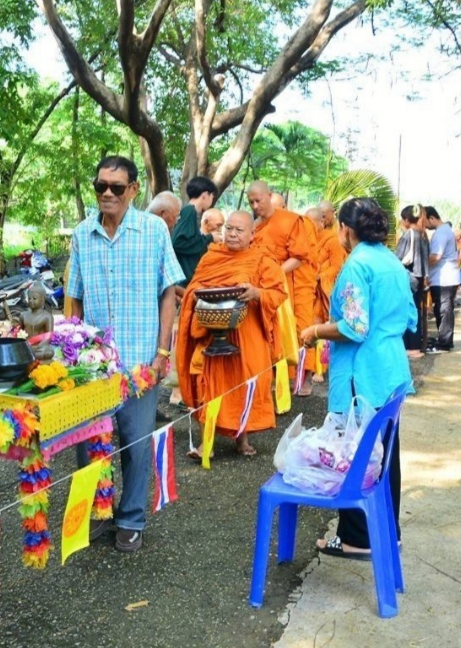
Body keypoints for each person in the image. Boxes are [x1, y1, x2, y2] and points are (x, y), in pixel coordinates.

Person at [67, 155, 184, 552]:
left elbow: (168, 291)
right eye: (101, 186)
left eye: (117, 187)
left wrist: (162, 352)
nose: (108, 194)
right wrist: (72, 353)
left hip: (140, 363)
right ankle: (98, 514)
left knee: (135, 444)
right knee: (90, 445)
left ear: (134, 189)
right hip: (93, 368)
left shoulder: (153, 231)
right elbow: (74, 297)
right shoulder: (83, 234)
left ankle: (131, 518)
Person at [300, 198, 416, 559]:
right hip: (391, 369)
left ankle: (355, 538)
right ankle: (387, 531)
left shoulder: (357, 265)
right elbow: (410, 316)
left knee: (354, 456)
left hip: (363, 375)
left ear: (345, 230)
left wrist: (315, 331)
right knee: (386, 455)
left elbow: (354, 327)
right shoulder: (390, 261)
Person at [176, 211, 287, 457]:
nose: (233, 234)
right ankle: (207, 443)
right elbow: (195, 286)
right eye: (229, 228)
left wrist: (257, 293)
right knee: (210, 384)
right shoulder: (212, 256)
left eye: (239, 230)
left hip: (248, 335)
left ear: (252, 234)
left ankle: (242, 440)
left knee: (246, 383)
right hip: (211, 332)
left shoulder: (261, 259)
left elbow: (278, 292)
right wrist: (202, 294)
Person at [247, 181, 318, 380]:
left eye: (258, 201)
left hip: (291, 283)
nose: (255, 206)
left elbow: (299, 256)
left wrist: (275, 273)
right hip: (264, 286)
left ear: (269, 196)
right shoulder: (255, 226)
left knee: (299, 328)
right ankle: (277, 376)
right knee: (271, 331)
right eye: (251, 202)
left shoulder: (292, 221)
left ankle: (304, 377)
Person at [304, 206, 347, 384]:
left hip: (324, 289)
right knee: (309, 326)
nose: (308, 227)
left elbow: (337, 266)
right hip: (308, 289)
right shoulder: (304, 239)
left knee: (321, 327)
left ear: (322, 221)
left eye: (312, 223)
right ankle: (310, 366)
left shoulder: (333, 240)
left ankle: (321, 369)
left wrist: (319, 276)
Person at [395, 205, 429, 359]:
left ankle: (411, 346)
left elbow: (398, 258)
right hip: (420, 277)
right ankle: (416, 345)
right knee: (415, 311)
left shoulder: (409, 234)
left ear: (407, 219)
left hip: (409, 278)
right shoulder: (423, 235)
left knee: (407, 311)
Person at [424, 206, 460, 353]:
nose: (424, 225)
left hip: (445, 278)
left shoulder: (441, 233)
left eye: (425, 221)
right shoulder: (443, 231)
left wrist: (419, 263)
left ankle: (445, 343)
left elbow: (436, 257)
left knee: (444, 310)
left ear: (432, 218)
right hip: (443, 278)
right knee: (441, 309)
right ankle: (443, 339)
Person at [171, 176, 218, 286]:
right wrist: (210, 237)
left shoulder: (191, 212)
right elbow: (178, 243)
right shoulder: (189, 211)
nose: (212, 201)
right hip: (183, 281)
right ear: (205, 195)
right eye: (212, 197)